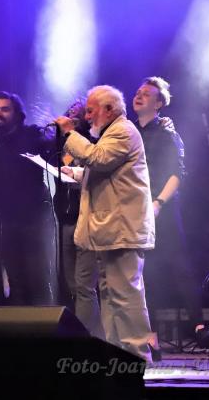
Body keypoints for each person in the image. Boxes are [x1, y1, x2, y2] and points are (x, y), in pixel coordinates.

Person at [55, 85, 155, 363]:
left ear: (109, 109)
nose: (86, 117)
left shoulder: (123, 131)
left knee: (126, 295)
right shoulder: (113, 133)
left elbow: (98, 159)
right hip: (112, 231)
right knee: (111, 296)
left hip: (122, 230)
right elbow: (105, 170)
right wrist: (76, 173)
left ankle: (138, 355)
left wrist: (69, 134)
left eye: (90, 111)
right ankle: (118, 354)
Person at [133, 76, 201, 344]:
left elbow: (177, 173)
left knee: (177, 265)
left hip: (162, 208)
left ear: (159, 103)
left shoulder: (166, 133)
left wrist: (159, 202)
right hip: (134, 209)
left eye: (146, 94)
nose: (139, 95)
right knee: (143, 272)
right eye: (138, 92)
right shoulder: (128, 132)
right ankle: (149, 334)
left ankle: (199, 328)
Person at [0, 92, 57, 305]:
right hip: (6, 220)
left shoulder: (32, 135)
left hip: (35, 218)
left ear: (17, 113)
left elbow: (55, 151)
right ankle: (21, 323)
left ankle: (46, 322)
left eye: (5, 109)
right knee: (15, 278)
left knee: (38, 276)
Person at [53, 97, 90, 310]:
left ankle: (88, 321)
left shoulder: (90, 141)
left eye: (79, 111)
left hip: (84, 215)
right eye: (71, 111)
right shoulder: (59, 143)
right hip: (64, 215)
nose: (73, 114)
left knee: (85, 280)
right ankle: (74, 316)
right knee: (69, 278)